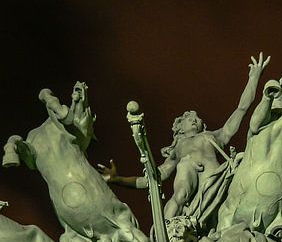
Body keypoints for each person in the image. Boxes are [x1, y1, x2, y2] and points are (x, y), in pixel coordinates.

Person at [100, 53, 270, 232]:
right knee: (181, 191)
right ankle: (166, 231)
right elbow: (154, 177)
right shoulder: (179, 148)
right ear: (180, 127)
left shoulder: (215, 136)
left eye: (197, 119)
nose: (195, 120)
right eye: (189, 119)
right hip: (187, 171)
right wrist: (118, 179)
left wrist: (254, 77)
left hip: (215, 177)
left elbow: (241, 109)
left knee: (221, 215)